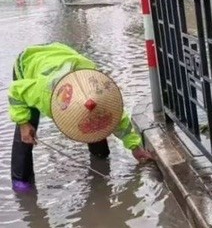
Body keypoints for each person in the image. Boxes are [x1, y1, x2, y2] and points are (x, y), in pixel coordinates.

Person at [8, 42, 153, 192]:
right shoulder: (45, 95)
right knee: (26, 133)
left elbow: (118, 119)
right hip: (28, 64)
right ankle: (21, 182)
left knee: (97, 120)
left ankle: (100, 156)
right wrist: (23, 123)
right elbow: (15, 92)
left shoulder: (100, 91)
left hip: (63, 55)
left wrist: (135, 147)